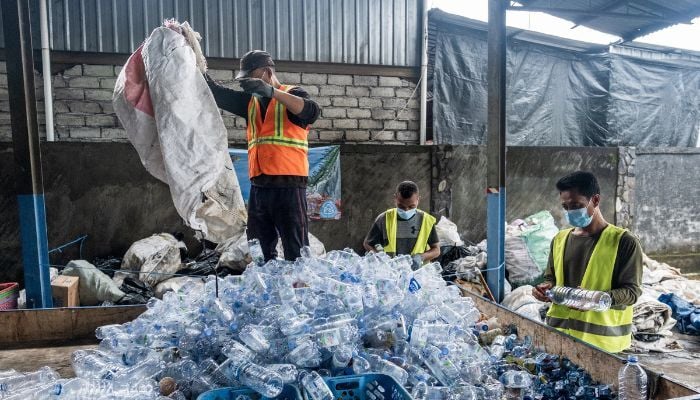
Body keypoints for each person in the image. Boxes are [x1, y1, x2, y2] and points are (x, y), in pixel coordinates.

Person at [206, 50, 321, 261]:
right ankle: (269, 287)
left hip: (289, 187)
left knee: (296, 250)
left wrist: (272, 92)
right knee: (259, 247)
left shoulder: (293, 95)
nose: (245, 83)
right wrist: (192, 55)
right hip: (259, 189)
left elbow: (312, 111)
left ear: (267, 72)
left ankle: (299, 288)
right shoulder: (251, 103)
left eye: (250, 77)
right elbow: (216, 93)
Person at [532, 171, 642, 353]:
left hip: (601, 346)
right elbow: (551, 278)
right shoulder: (559, 239)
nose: (571, 212)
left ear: (595, 200)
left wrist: (596, 299)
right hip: (559, 338)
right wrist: (545, 288)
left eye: (576, 205)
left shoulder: (623, 241)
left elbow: (632, 292)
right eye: (566, 207)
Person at [363, 181, 440, 269]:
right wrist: (379, 258)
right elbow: (368, 243)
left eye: (411, 207)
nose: (406, 210)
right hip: (391, 273)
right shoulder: (384, 219)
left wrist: (421, 257)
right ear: (395, 198)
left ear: (418, 199)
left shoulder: (426, 221)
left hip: (418, 274)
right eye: (401, 206)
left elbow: (436, 250)